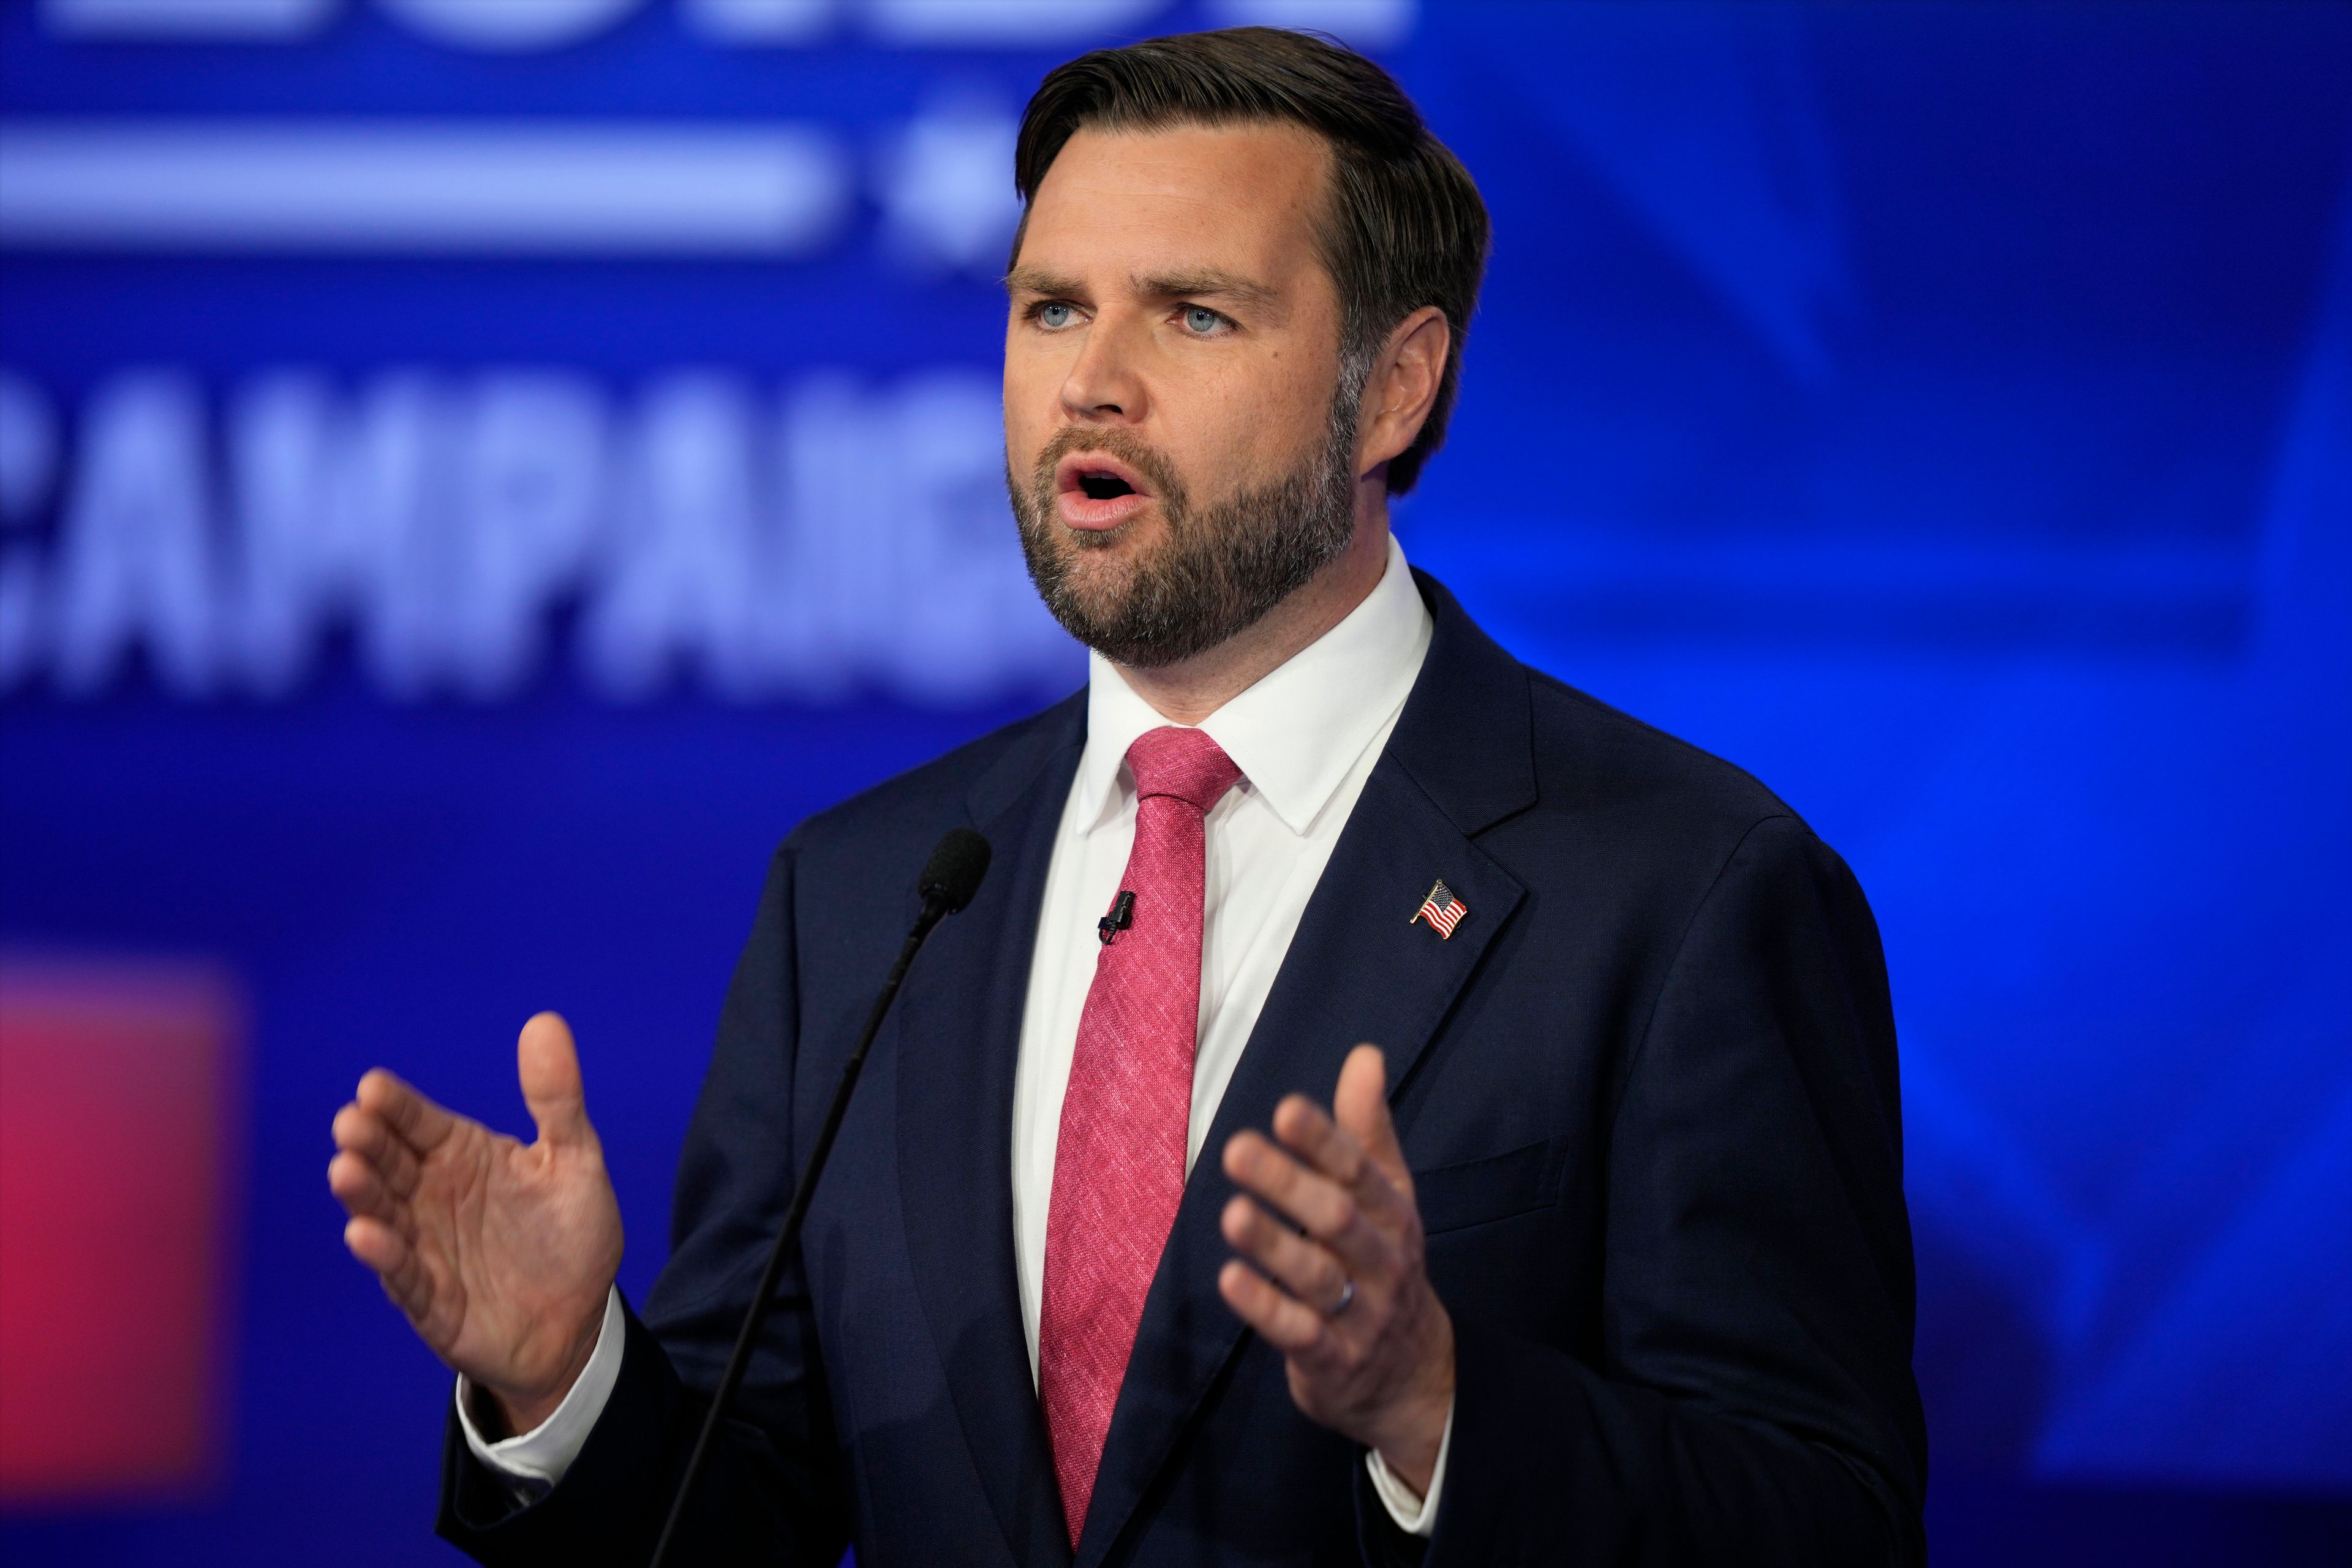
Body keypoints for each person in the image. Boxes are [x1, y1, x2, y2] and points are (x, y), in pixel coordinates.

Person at [327, 28, 1926, 1566]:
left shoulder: (1685, 892)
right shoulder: (867, 891)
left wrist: (1436, 1404)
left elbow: (1824, 1520)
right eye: (1048, 309)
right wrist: (564, 1388)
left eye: (1195, 316)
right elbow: (740, 1516)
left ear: (1395, 390)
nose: (1091, 383)